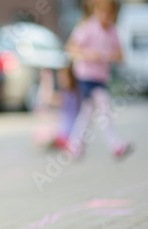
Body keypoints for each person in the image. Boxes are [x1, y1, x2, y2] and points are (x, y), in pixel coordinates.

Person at [65, 0, 131, 159]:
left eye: (110, 14)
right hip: (86, 75)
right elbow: (71, 47)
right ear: (96, 11)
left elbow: (121, 55)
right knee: (104, 105)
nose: (107, 17)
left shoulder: (112, 30)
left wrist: (108, 55)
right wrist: (89, 54)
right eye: (104, 13)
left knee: (88, 111)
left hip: (101, 76)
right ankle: (115, 144)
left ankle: (74, 144)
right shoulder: (87, 27)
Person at [49, 63, 82, 150]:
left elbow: (50, 100)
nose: (60, 81)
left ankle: (66, 143)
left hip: (68, 132)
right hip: (66, 130)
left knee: (42, 135)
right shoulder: (72, 93)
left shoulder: (70, 95)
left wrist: (47, 80)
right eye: (59, 78)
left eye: (62, 78)